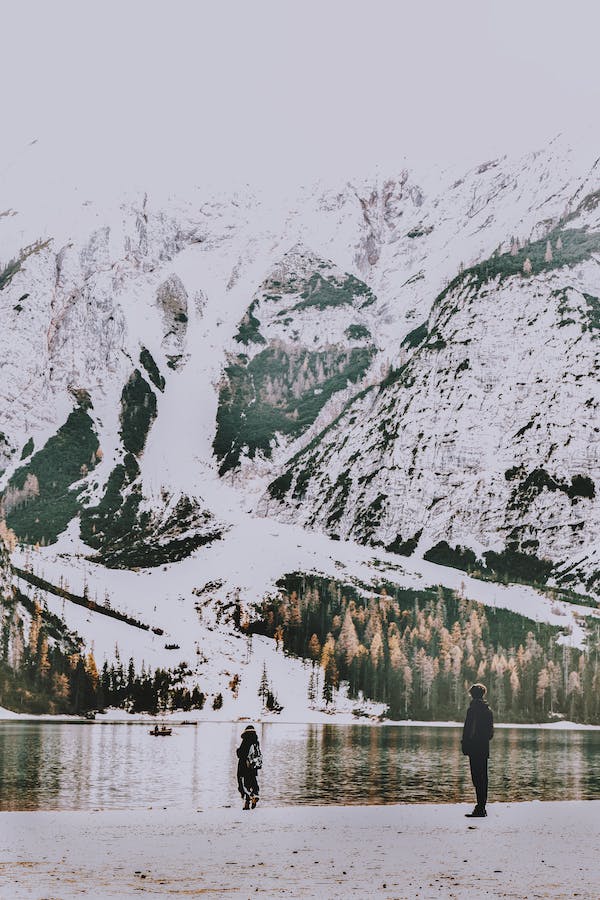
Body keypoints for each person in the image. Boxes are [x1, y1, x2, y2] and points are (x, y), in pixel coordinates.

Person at [461, 683, 494, 818]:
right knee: (483, 778)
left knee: (477, 778)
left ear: (472, 695)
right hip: (483, 748)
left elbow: (467, 730)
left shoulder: (472, 710)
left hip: (474, 748)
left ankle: (480, 808)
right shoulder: (488, 710)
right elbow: (490, 733)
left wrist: (465, 745)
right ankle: (481, 807)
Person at [236, 724, 262, 810]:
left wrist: (237, 750)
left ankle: (251, 797)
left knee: (243, 784)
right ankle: (253, 797)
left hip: (243, 767)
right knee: (253, 782)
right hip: (253, 767)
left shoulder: (246, 741)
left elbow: (240, 754)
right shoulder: (256, 742)